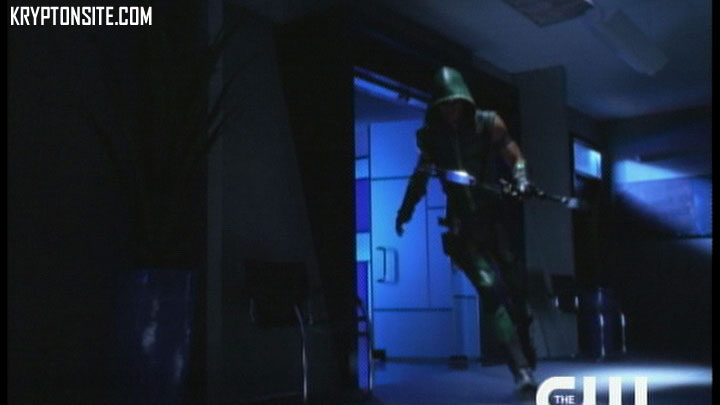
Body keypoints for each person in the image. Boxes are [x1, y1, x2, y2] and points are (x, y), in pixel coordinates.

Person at [395, 66, 538, 396]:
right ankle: (520, 369)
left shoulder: (488, 123)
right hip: (463, 226)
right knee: (489, 292)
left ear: (464, 101)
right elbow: (420, 177)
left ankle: (525, 341)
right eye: (444, 105)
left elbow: (514, 155)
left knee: (516, 291)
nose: (450, 110)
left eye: (455, 103)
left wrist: (521, 179)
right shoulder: (431, 139)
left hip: (495, 219)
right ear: (436, 106)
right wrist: (405, 211)